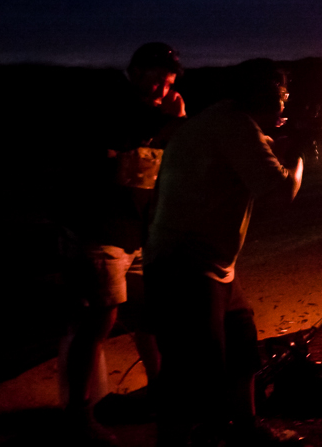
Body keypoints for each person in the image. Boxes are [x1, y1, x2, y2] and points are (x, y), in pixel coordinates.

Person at [144, 59, 305, 447]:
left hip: (209, 264)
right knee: (191, 370)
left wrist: (275, 145)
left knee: (241, 343)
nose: (285, 103)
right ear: (268, 95)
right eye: (283, 95)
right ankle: (182, 439)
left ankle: (244, 429)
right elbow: (280, 193)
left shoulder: (223, 119)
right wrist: (298, 159)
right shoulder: (236, 127)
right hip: (186, 264)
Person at [61, 42, 186, 444]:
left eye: (168, 83)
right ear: (134, 71)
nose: (162, 89)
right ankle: (78, 415)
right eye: (155, 78)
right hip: (102, 229)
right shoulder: (111, 103)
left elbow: (157, 168)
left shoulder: (156, 114)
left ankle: (163, 391)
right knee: (101, 318)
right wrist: (166, 122)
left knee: (148, 316)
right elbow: (117, 154)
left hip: (137, 231)